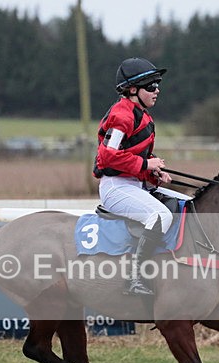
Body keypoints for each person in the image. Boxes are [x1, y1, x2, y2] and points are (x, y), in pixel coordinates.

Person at [93, 57, 173, 296]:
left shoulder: (141, 114)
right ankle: (135, 278)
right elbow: (107, 157)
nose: (157, 90)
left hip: (133, 185)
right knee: (160, 215)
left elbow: (133, 155)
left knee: (184, 204)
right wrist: (147, 163)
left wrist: (153, 171)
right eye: (151, 86)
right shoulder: (122, 116)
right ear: (132, 90)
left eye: (158, 85)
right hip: (115, 188)